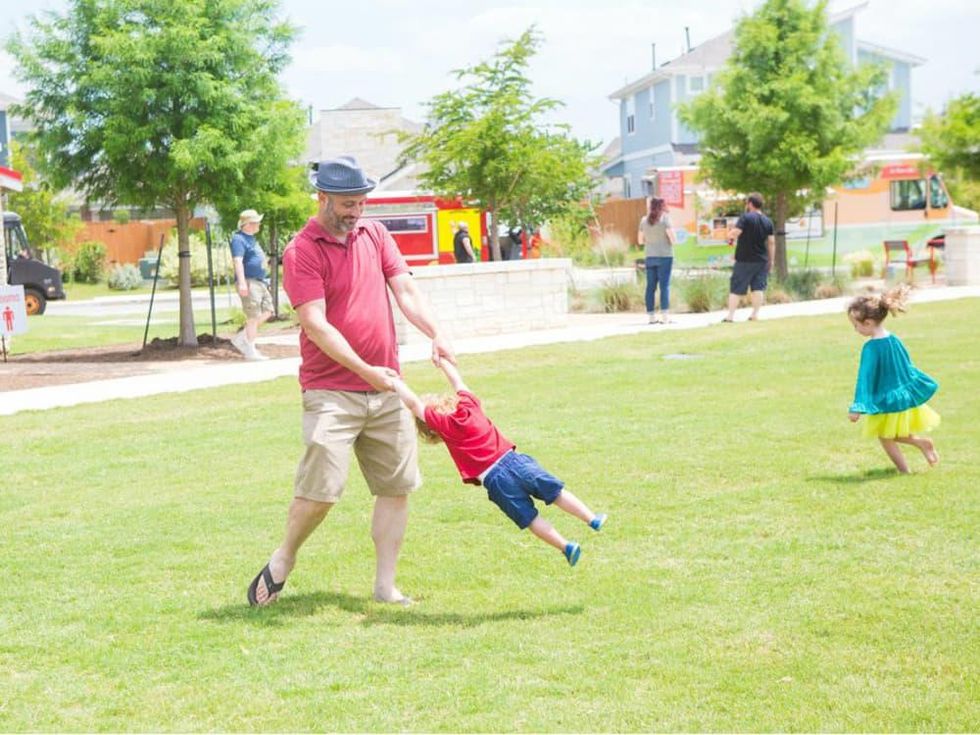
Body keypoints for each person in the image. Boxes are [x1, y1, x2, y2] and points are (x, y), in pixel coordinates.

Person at [247, 156, 455, 607]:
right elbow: (316, 325)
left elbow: (405, 290)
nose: (355, 212)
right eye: (346, 204)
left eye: (360, 203)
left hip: (386, 387)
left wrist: (435, 334)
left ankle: (385, 586)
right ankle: (285, 557)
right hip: (331, 392)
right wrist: (365, 371)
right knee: (321, 492)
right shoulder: (301, 251)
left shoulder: (375, 234)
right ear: (321, 197)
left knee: (396, 488)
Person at [389, 360, 607, 567]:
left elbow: (414, 404)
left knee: (530, 518)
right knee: (556, 493)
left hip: (495, 481)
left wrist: (396, 383)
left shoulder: (445, 427)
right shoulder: (470, 405)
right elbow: (458, 382)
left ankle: (566, 546)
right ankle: (591, 518)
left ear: (432, 429)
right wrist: (443, 363)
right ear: (449, 401)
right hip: (516, 462)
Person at [847, 285, 940, 474]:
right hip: (901, 395)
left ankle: (917, 450)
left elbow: (864, 378)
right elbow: (906, 366)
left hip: (886, 398)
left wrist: (857, 406)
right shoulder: (894, 339)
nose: (855, 330)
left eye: (855, 325)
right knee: (888, 434)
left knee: (885, 435)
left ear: (868, 323)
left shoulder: (871, 348)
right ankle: (908, 464)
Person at [722, 193, 774, 322]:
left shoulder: (745, 218)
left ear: (750, 204)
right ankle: (754, 315)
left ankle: (730, 316)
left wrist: (728, 236)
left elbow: (736, 233)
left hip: (744, 259)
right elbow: (771, 242)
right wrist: (771, 260)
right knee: (758, 288)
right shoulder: (768, 221)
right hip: (762, 260)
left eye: (747, 203)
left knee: (736, 287)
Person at [229, 209, 273, 360]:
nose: (258, 224)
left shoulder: (252, 239)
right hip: (249, 281)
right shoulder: (238, 239)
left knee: (268, 311)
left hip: (260, 281)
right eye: (256, 222)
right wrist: (242, 282)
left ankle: (242, 337)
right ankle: (250, 350)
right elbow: (237, 260)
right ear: (247, 224)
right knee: (252, 316)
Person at [637, 196, 677, 324]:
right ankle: (665, 317)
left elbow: (639, 240)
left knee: (650, 287)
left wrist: (650, 241)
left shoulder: (644, 220)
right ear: (662, 206)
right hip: (665, 256)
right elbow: (673, 239)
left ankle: (651, 317)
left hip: (650, 256)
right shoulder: (665, 219)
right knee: (664, 286)